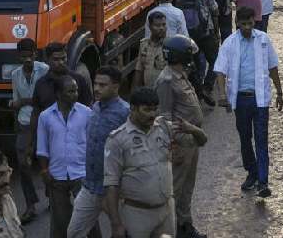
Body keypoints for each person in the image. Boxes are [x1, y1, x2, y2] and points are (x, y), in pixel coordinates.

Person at [104, 88, 203, 238]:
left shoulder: (164, 127)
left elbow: (202, 140)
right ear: (133, 108)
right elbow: (111, 185)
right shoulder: (117, 140)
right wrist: (116, 223)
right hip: (136, 215)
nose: (152, 114)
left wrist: (193, 129)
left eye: (154, 109)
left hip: (166, 212)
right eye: (146, 110)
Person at [213, 7, 283, 199]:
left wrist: (279, 92)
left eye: (249, 23)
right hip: (240, 100)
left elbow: (273, 66)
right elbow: (220, 71)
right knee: (245, 139)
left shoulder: (263, 40)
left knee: (261, 140)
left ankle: (263, 181)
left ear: (254, 21)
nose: (246, 27)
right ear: (237, 23)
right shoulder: (229, 43)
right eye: (243, 24)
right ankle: (251, 172)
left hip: (260, 100)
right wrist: (222, 95)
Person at [155, 36, 208, 238]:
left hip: (191, 140)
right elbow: (164, 116)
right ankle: (169, 231)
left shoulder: (180, 74)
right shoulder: (166, 81)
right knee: (175, 191)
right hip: (180, 142)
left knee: (187, 188)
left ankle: (185, 226)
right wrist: (172, 146)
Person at [66, 68, 128, 238]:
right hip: (91, 186)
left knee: (124, 231)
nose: (97, 88)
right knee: (73, 233)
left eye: (103, 85)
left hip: (115, 190)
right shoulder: (95, 107)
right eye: (95, 84)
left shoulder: (125, 113)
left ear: (115, 86)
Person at [36, 76, 92, 238]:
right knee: (60, 220)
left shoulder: (86, 113)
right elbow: (42, 148)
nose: (75, 94)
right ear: (59, 94)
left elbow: (91, 144)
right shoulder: (45, 117)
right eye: (71, 91)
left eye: (76, 91)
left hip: (82, 173)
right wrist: (45, 171)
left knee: (89, 219)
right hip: (57, 175)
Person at [29, 43, 93, 162]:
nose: (61, 62)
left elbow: (88, 109)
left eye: (63, 58)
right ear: (47, 60)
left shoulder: (78, 80)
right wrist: (31, 142)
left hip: (76, 142)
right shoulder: (41, 84)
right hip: (51, 140)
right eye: (56, 59)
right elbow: (36, 112)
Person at [8, 39, 48, 223]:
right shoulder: (15, 75)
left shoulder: (45, 70)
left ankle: (53, 197)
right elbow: (16, 101)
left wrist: (24, 101)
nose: (27, 60)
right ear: (19, 57)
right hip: (24, 123)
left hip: (43, 122)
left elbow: (44, 100)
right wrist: (21, 104)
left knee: (47, 162)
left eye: (30, 56)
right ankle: (30, 205)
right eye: (23, 57)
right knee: (23, 164)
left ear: (35, 54)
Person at [176, 0, 219, 103]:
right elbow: (215, 11)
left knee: (194, 62)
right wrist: (217, 31)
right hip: (206, 33)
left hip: (189, 35)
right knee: (216, 61)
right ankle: (207, 87)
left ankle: (197, 90)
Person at [135, 12, 168, 90]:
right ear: (150, 27)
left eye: (164, 25)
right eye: (157, 25)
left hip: (164, 92)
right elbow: (139, 69)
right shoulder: (144, 44)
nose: (161, 28)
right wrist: (135, 91)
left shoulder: (170, 46)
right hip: (149, 92)